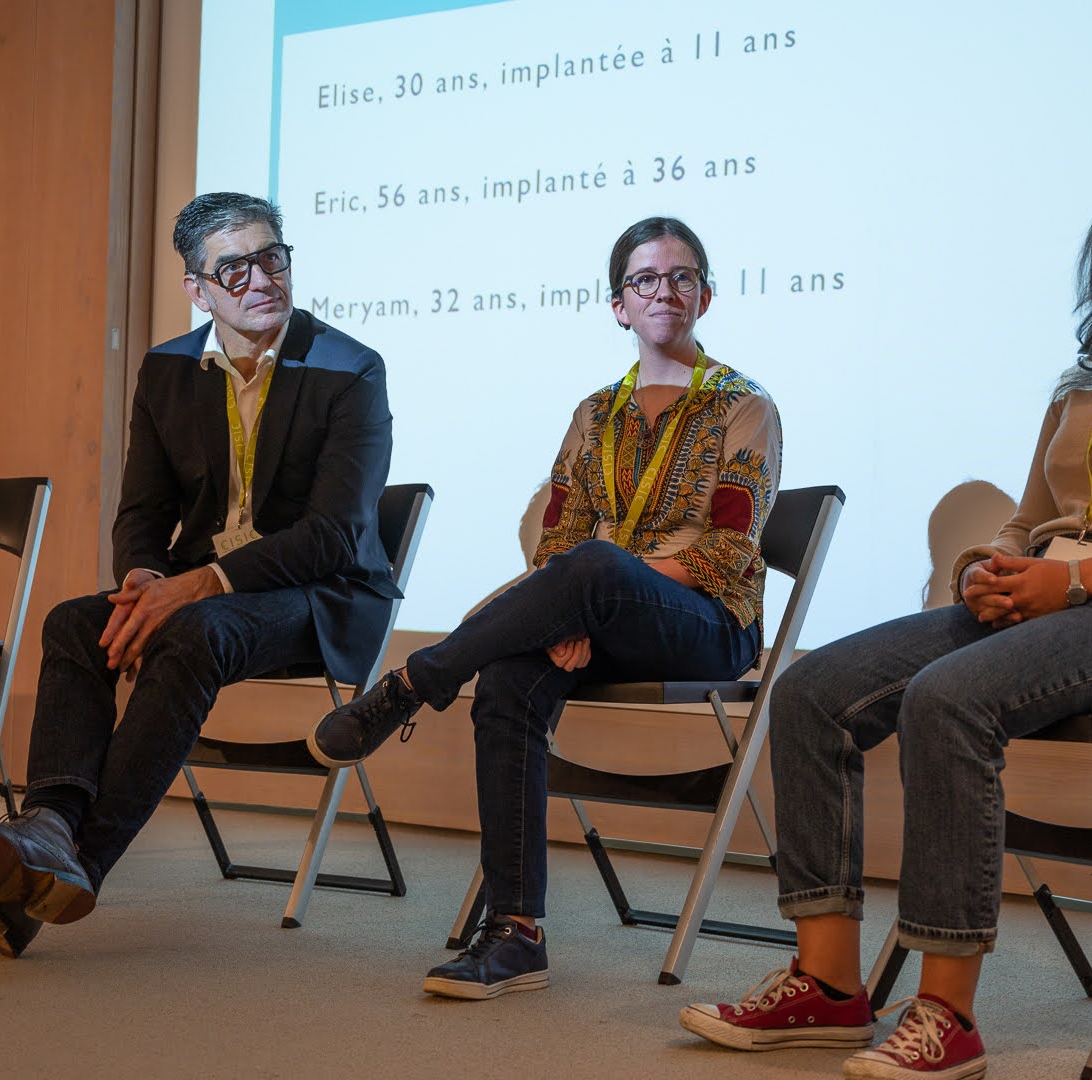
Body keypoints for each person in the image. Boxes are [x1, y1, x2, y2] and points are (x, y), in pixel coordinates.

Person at [680, 135, 1092, 1079]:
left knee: (947, 699)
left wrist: (1076, 582)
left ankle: (945, 1014)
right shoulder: (1084, 379)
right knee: (807, 692)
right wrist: (986, 567)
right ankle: (829, 984)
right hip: (1047, 602)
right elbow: (1029, 520)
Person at [0, 192, 398, 958]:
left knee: (195, 631)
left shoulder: (349, 368)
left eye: (271, 257)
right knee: (76, 623)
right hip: (202, 595)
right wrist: (143, 579)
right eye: (233, 268)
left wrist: (198, 584)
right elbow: (142, 510)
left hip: (322, 597)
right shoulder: (168, 368)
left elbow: (335, 535)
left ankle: (68, 859)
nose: (260, 279)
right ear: (197, 289)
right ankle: (50, 824)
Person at [309, 216, 782, 1000]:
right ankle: (515, 933)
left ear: (705, 296)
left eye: (681, 277)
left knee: (594, 564)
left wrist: (592, 594)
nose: (664, 291)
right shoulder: (593, 413)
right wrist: (576, 606)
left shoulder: (744, 406)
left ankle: (411, 684)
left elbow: (727, 552)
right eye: (644, 279)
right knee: (506, 681)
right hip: (600, 613)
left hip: (706, 624)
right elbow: (557, 537)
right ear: (618, 305)